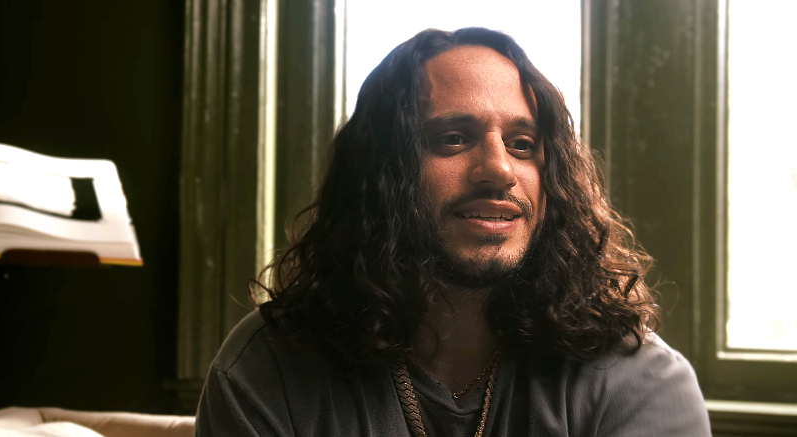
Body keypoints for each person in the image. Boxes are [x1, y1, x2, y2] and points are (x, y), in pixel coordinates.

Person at [195, 27, 711, 436]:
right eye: (453, 138)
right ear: (379, 173)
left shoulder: (637, 381)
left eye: (523, 144)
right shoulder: (267, 367)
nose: (499, 170)